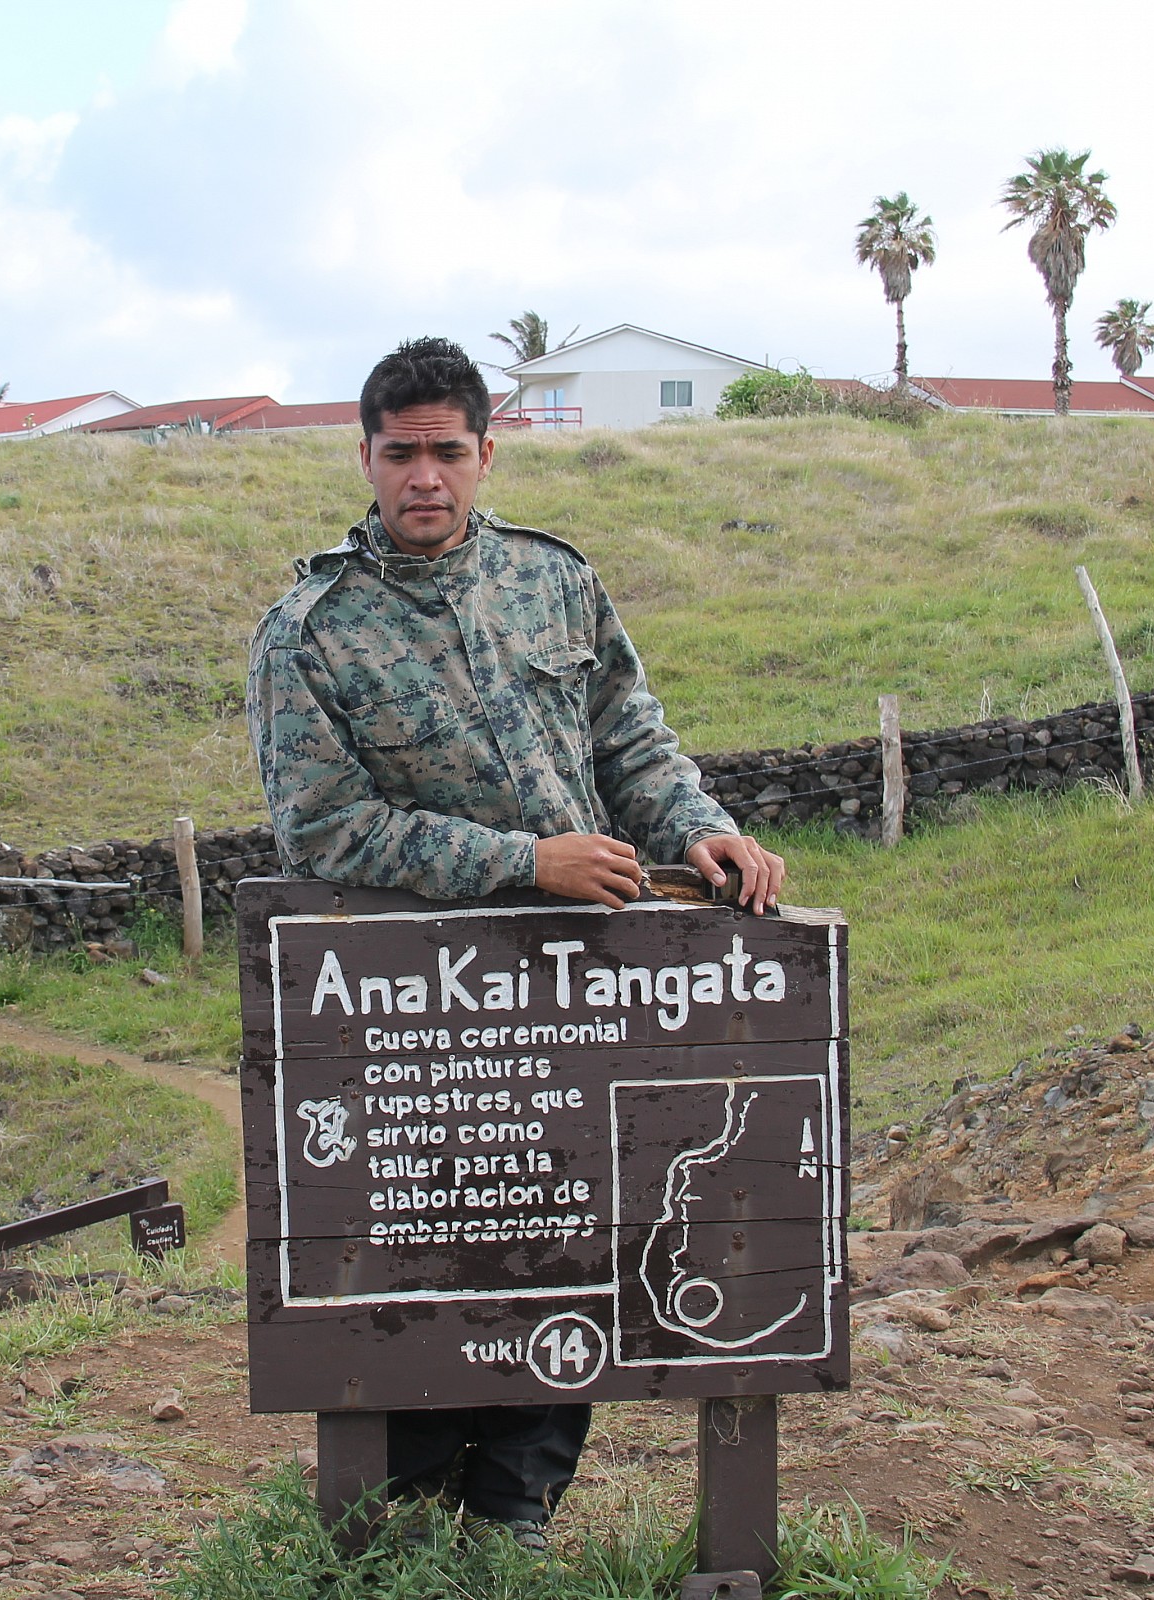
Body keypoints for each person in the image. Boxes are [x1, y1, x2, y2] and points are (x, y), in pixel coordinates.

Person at [245, 336, 787, 1548]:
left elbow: (632, 743)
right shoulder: (311, 631)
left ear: (487, 452)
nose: (424, 476)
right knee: (430, 1247)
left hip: (576, 994)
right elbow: (326, 829)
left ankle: (516, 1509)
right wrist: (523, 861)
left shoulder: (557, 584)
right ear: (366, 457)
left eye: (448, 450)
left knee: (574, 1229)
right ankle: (412, 1512)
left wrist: (703, 831)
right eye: (401, 453)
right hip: (411, 1005)